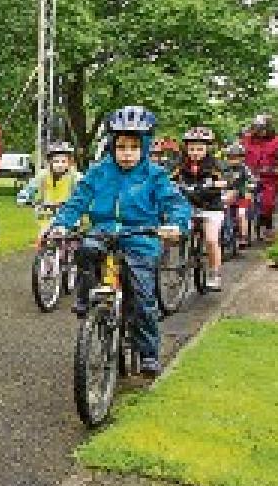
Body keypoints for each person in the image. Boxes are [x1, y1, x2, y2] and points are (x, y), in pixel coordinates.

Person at [49, 106, 190, 376]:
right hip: (104, 230)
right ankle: (86, 298)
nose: (127, 153)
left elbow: (175, 203)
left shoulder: (155, 175)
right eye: (121, 147)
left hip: (141, 236)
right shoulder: (99, 171)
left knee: (143, 297)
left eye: (134, 147)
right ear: (112, 145)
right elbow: (78, 200)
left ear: (144, 147)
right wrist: (61, 224)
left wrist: (176, 224)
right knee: (86, 249)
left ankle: (148, 353)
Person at [172, 127, 227, 291]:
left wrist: (219, 184)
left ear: (207, 149)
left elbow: (227, 179)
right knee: (174, 232)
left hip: (211, 207)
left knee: (211, 239)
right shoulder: (181, 164)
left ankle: (215, 274)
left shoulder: (215, 165)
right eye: (192, 149)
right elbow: (168, 178)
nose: (195, 153)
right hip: (189, 206)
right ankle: (176, 262)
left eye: (199, 149)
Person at [241, 114, 278, 241]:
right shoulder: (247, 139)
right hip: (250, 176)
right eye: (256, 128)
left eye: (262, 129)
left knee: (268, 203)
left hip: (269, 177)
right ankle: (241, 232)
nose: (259, 132)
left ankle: (268, 227)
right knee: (241, 202)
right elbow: (238, 153)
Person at [17, 141, 81, 243]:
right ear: (50, 162)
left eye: (63, 161)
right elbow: (30, 187)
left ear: (70, 162)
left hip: (69, 215)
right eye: (56, 161)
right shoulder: (43, 175)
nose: (60, 165)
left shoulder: (75, 176)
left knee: (70, 240)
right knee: (42, 239)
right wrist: (23, 197)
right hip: (47, 214)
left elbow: (85, 190)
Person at [223, 143, 255, 249]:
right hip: (227, 195)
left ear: (241, 158)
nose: (233, 160)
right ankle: (224, 234)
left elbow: (252, 181)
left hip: (241, 196)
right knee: (221, 213)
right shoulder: (224, 169)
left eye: (236, 157)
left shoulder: (245, 169)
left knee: (241, 215)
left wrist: (249, 190)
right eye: (230, 157)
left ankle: (243, 236)